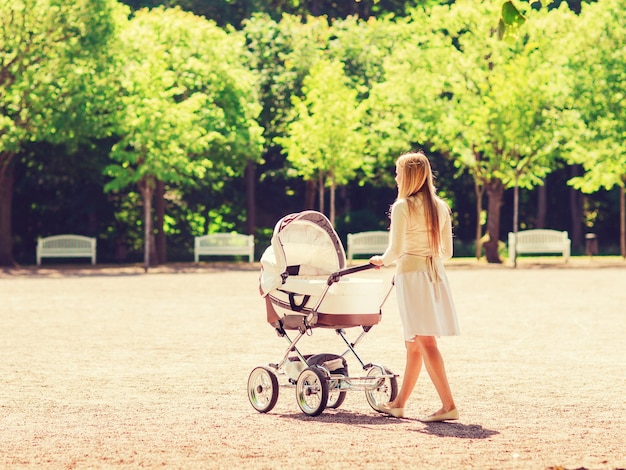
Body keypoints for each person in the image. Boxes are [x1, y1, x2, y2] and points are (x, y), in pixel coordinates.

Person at [369, 151, 460, 422]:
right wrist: (426, 258)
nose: (396, 177)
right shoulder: (439, 206)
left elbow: (395, 249)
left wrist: (381, 261)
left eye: (398, 173)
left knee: (424, 340)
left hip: (413, 279)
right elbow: (447, 252)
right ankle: (398, 403)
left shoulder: (403, 207)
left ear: (407, 176)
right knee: (414, 343)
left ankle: (448, 405)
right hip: (435, 276)